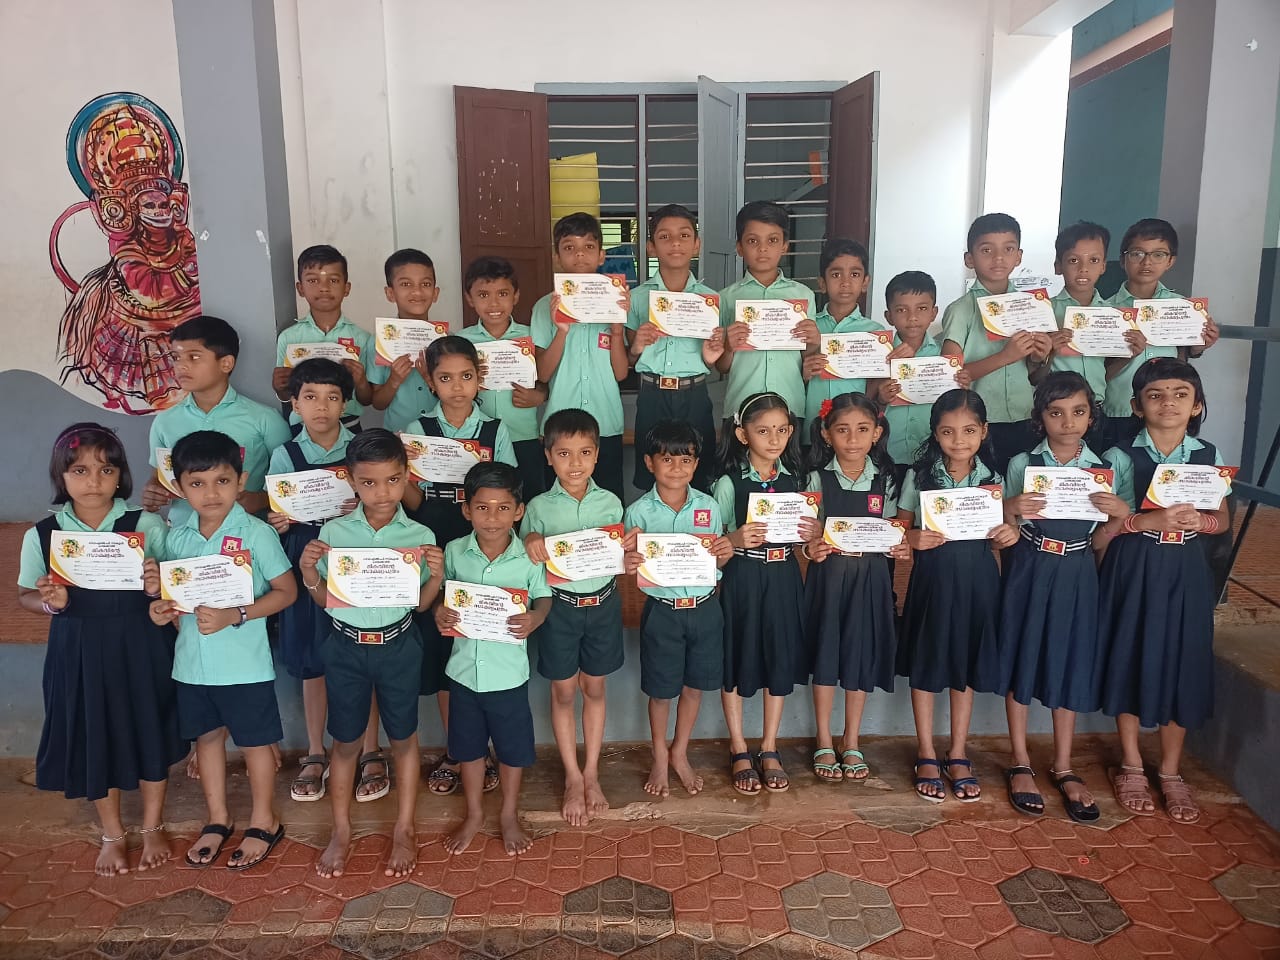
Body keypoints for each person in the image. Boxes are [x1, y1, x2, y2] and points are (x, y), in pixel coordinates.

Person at [17, 423, 185, 877]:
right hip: (78, 650)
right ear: (61, 476)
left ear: (120, 475)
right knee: (93, 734)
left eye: (105, 470)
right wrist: (50, 601)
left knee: (148, 727)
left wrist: (157, 585)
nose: (93, 480)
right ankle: (112, 832)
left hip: (141, 643)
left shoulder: (145, 524)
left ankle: (152, 825)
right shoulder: (44, 534)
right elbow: (26, 595)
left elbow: (173, 588)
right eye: (80, 470)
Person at [145, 431, 295, 869]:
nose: (211, 493)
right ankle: (218, 819)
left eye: (222, 481)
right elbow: (171, 603)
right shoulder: (176, 538)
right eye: (197, 483)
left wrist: (237, 614)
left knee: (256, 744)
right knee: (207, 739)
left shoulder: (257, 534)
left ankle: (264, 820)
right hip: (192, 665)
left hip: (245, 666)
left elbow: (286, 592)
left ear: (240, 481)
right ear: (179, 486)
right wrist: (160, 609)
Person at [300, 428, 445, 878]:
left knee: (403, 739)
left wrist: (437, 577)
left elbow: (420, 606)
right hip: (345, 647)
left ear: (406, 476)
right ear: (351, 480)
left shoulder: (419, 534)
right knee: (345, 743)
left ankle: (404, 828)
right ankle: (341, 830)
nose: (382, 492)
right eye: (369, 482)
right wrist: (309, 573)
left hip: (399, 645)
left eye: (393, 480)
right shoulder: (335, 532)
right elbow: (324, 599)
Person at [1094, 359, 1228, 825]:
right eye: (1155, 395)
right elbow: (1103, 531)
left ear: (1197, 406)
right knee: (1130, 651)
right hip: (1135, 564)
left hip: (1186, 568)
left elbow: (1222, 519)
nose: (1167, 403)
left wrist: (1202, 521)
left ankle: (1171, 770)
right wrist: (1143, 520)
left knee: (1183, 657)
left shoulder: (1208, 454)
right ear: (1136, 406)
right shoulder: (1119, 457)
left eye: (1180, 395)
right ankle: (1131, 763)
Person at [995, 372, 1127, 821]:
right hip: (1031, 564)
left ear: (1091, 417)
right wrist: (1010, 508)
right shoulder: (1022, 463)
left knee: (1070, 659)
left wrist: (1119, 516)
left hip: (1077, 567)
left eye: (1078, 412)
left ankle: (1065, 766)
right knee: (1022, 655)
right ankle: (1019, 761)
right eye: (1056, 413)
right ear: (1041, 418)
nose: (1068, 422)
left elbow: (1105, 536)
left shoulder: (1102, 468)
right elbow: (1004, 527)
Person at [266, 359, 388, 805]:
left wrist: (364, 506)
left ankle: (371, 750)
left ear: (346, 404)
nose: (321, 407)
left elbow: (385, 502)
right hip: (307, 561)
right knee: (313, 660)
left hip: (355, 558)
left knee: (362, 656)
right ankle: (317, 752)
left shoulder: (361, 449)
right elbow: (277, 511)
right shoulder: (285, 455)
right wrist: (277, 521)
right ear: (295, 404)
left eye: (332, 397)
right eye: (311, 397)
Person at [894, 390, 1019, 804]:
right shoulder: (919, 477)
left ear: (984, 431)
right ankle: (926, 751)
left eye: (968, 430)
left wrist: (1007, 534)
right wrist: (912, 537)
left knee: (964, 663)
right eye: (948, 432)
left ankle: (958, 752)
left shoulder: (993, 479)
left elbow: (1001, 535)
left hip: (978, 581)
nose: (959, 440)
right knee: (927, 661)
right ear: (935, 433)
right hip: (932, 580)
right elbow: (900, 530)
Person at [434, 462, 551, 856]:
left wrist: (535, 618)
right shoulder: (454, 551)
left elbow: (544, 597)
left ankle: (508, 814)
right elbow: (441, 595)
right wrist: (439, 612)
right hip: (463, 673)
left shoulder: (529, 558)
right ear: (467, 510)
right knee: (468, 749)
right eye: (482, 508)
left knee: (512, 749)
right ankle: (474, 814)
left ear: (519, 511)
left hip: (508, 675)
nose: (492, 517)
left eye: (503, 508)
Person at [522, 409, 626, 825]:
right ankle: (572, 777)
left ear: (597, 454)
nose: (575, 463)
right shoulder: (537, 508)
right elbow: (529, 562)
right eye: (564, 453)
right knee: (563, 692)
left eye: (585, 452)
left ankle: (592, 773)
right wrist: (530, 539)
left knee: (594, 688)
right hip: (560, 609)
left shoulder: (611, 503)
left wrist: (631, 556)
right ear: (549, 456)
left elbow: (619, 556)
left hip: (603, 605)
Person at [622, 420, 734, 797]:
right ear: (649, 463)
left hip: (704, 608)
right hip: (662, 611)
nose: (676, 468)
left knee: (695, 687)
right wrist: (628, 561)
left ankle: (679, 753)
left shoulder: (709, 506)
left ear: (696, 464)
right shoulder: (638, 512)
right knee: (661, 692)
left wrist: (724, 553)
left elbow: (716, 561)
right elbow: (629, 565)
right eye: (667, 459)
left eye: (686, 460)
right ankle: (658, 755)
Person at [801, 393, 908, 784]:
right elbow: (807, 535)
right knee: (827, 652)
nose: (852, 439)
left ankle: (851, 739)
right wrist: (810, 548)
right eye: (842, 430)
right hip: (829, 577)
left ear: (877, 433)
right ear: (826, 435)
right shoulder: (817, 479)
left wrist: (900, 544)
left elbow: (896, 529)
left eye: (863, 429)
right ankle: (823, 738)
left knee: (859, 656)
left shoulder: (887, 479)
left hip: (871, 577)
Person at [712, 392, 815, 795]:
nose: (774, 439)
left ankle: (770, 746)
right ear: (743, 434)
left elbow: (807, 544)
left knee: (779, 655)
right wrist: (734, 539)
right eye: (763, 431)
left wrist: (812, 538)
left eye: (782, 430)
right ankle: (739, 747)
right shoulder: (729, 483)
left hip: (784, 574)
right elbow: (713, 546)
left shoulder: (797, 482)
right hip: (742, 575)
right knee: (737, 655)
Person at [142, 315, 292, 526]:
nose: (181, 366)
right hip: (183, 534)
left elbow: (292, 483)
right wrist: (153, 493)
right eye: (176, 357)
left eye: (194, 357)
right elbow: (159, 477)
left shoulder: (265, 419)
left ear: (226, 363)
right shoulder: (164, 421)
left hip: (245, 533)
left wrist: (260, 500)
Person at [941, 213, 1053, 472]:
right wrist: (1006, 356)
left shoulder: (1031, 306)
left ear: (1019, 256)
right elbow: (950, 375)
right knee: (987, 485)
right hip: (978, 424)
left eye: (1008, 249)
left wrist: (1040, 358)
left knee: (1020, 484)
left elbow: (1036, 376)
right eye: (986, 250)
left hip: (1025, 415)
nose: (998, 258)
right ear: (969, 259)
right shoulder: (961, 310)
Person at [625, 205, 726, 491]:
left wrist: (710, 357)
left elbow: (714, 360)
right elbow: (630, 358)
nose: (675, 243)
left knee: (699, 472)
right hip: (652, 394)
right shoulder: (637, 298)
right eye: (664, 237)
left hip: (694, 394)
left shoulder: (710, 300)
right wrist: (637, 345)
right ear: (651, 247)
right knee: (652, 471)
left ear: (697, 244)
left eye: (684, 235)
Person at [531, 213, 630, 500]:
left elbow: (621, 373)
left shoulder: (614, 302)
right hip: (558, 427)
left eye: (588, 247)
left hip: (605, 424)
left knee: (608, 502)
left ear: (601, 255)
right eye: (569, 247)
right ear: (557, 257)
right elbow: (542, 374)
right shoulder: (544, 307)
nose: (579, 255)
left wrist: (617, 327)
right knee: (558, 504)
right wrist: (561, 330)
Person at [1103, 219, 1221, 444]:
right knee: (1117, 461)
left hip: (1166, 410)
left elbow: (1183, 355)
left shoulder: (1183, 308)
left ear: (1170, 261)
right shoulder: (1105, 310)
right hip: (1119, 408)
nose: (1147, 262)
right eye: (1137, 253)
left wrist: (1199, 347)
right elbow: (1097, 368)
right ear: (1123, 259)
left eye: (1158, 254)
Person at [401, 336, 518, 546]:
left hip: (482, 527)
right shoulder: (418, 430)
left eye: (466, 376)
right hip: (430, 524)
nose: (457, 387)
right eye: (445, 378)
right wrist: (397, 464)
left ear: (478, 377)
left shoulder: (495, 429)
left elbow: (508, 488)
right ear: (431, 382)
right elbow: (414, 501)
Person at [716, 201, 820, 430]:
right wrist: (729, 346)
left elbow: (806, 357)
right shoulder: (726, 298)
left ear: (785, 246)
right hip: (741, 406)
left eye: (772, 240)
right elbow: (722, 367)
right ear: (739, 248)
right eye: (753, 241)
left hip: (790, 404)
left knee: (789, 456)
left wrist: (814, 341)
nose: (762, 249)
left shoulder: (803, 295)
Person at [458, 255, 549, 500]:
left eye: (503, 293)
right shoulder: (460, 342)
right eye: (483, 295)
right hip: (476, 438)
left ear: (515, 296)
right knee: (480, 502)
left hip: (523, 436)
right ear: (469, 298)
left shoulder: (532, 337)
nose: (494, 303)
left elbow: (549, 378)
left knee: (527, 502)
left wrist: (540, 395)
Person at [871, 271, 971, 484]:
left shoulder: (945, 359)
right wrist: (881, 399)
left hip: (932, 456)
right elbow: (866, 408)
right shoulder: (878, 354)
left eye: (922, 308)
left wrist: (961, 388)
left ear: (934, 313)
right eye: (901, 310)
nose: (912, 317)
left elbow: (953, 409)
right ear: (888, 316)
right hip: (887, 454)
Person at [272, 245, 378, 433]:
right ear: (300, 288)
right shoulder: (289, 338)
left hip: (349, 427)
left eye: (334, 280)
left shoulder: (362, 338)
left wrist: (361, 381)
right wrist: (279, 387)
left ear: (346, 288)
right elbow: (287, 394)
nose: (323, 288)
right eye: (313, 280)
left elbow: (366, 399)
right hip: (302, 429)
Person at [800, 239, 882, 432]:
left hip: (855, 432)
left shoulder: (876, 334)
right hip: (812, 427)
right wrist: (803, 375)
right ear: (822, 283)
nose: (845, 282)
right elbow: (791, 377)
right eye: (836, 274)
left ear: (865, 282)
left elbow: (876, 386)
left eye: (855, 274)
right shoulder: (807, 327)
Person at [370, 248, 444, 434]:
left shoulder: (447, 341)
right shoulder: (380, 342)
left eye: (425, 284)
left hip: (442, 436)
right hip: (398, 435)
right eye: (406, 284)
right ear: (390, 293)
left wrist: (430, 379)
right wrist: (394, 380)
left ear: (435, 293)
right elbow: (378, 403)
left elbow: (457, 395)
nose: (417, 291)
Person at [1046, 223, 1111, 428]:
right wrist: (1049, 350)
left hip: (1098, 408)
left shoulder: (1113, 315)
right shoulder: (1045, 312)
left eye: (1094, 260)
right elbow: (1032, 373)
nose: (1083, 268)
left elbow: (1107, 369)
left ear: (1103, 266)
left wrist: (1131, 354)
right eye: (1073, 260)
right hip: (1056, 410)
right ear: (1058, 266)